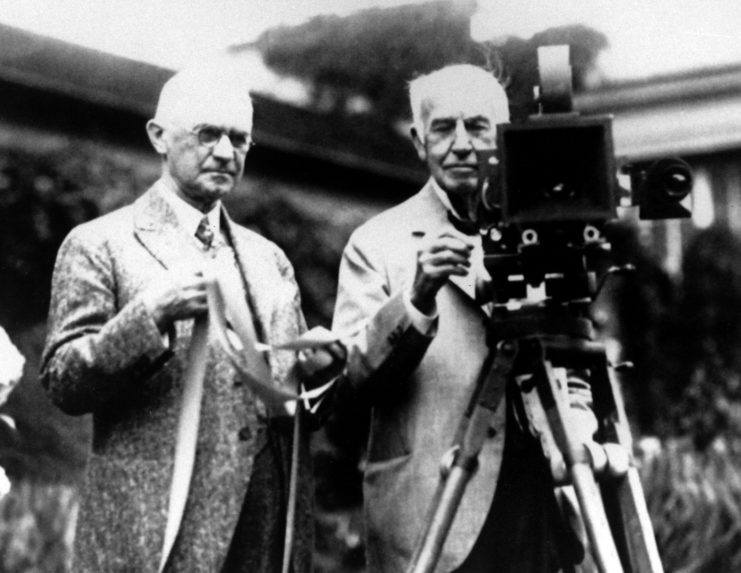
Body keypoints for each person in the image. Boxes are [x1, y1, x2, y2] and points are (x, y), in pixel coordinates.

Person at [41, 63, 340, 572]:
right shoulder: (98, 244)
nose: (225, 152)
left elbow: (293, 416)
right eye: (207, 134)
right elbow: (63, 382)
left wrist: (318, 373)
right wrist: (149, 316)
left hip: (264, 531)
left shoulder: (269, 259)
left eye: (239, 139)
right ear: (159, 136)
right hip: (155, 532)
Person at [332, 64, 588, 572]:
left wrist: (578, 441)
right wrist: (417, 299)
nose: (463, 144)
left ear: (504, 137)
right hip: (432, 513)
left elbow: (575, 358)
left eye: (478, 126)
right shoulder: (376, 243)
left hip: (537, 501)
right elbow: (353, 382)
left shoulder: (544, 234)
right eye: (444, 128)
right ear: (419, 141)